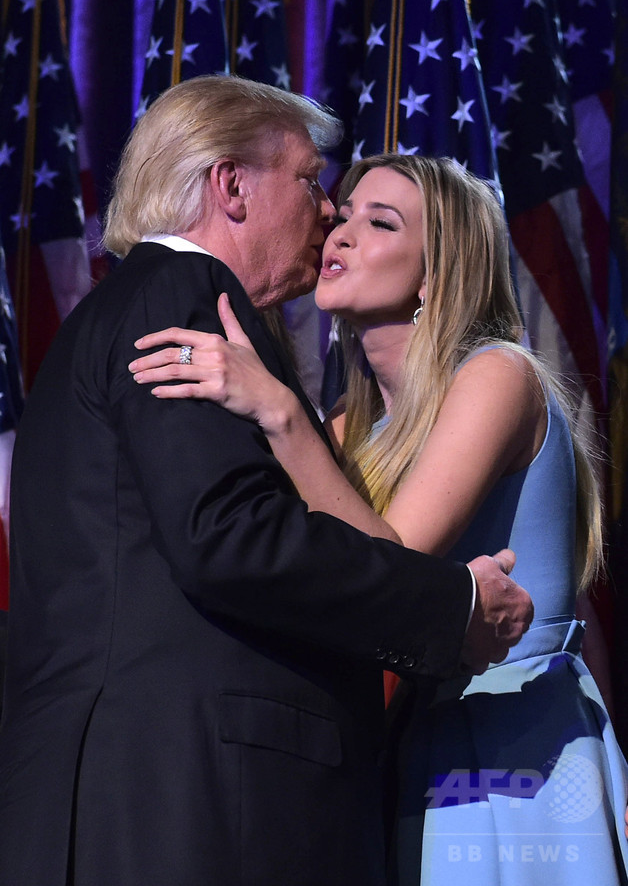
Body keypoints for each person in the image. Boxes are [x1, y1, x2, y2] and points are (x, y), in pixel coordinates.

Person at [0, 81, 532, 886]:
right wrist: (452, 607)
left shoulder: (121, 312)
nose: (329, 210)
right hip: (193, 808)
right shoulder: (182, 297)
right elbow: (230, 536)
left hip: (130, 801)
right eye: (311, 180)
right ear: (231, 185)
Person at [131, 152, 628, 885]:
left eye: (381, 222)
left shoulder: (499, 375)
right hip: (407, 745)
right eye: (344, 213)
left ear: (436, 274)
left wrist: (277, 411)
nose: (340, 232)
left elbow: (393, 568)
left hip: (515, 748)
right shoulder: (343, 429)